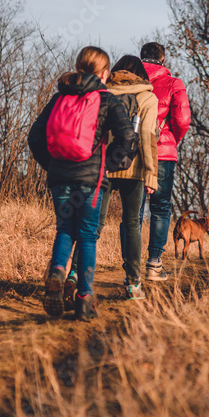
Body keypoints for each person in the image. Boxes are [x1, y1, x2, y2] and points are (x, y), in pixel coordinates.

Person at [27, 46, 136, 321]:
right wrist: (108, 165)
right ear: (104, 73)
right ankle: (85, 299)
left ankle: (57, 272)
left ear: (78, 66)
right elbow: (128, 139)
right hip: (91, 180)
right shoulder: (107, 99)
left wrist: (51, 165)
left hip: (60, 177)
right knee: (87, 235)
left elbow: (34, 137)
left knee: (65, 229)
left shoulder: (58, 97)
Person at [64, 55, 159, 302]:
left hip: (102, 165)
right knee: (131, 224)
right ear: (141, 74)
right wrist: (151, 173)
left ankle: (74, 273)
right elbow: (148, 135)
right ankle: (133, 284)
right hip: (134, 167)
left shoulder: (102, 93)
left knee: (93, 225)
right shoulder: (148, 97)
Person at [139, 42, 191, 281]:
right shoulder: (173, 84)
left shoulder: (129, 82)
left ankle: (130, 265)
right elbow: (182, 120)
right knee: (160, 208)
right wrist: (171, 141)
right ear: (162, 60)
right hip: (163, 154)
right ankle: (154, 264)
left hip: (132, 152)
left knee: (134, 211)